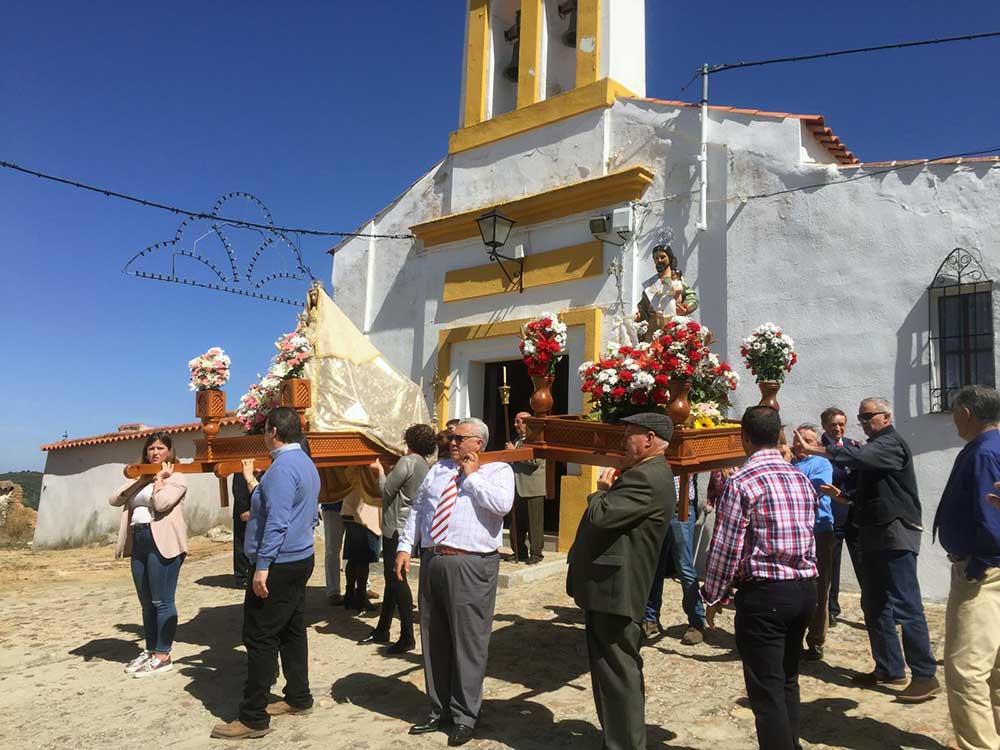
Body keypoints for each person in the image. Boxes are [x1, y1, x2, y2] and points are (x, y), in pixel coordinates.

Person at [802, 397, 940, 701]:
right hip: (875, 532)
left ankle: (925, 675)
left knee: (906, 603)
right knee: (875, 602)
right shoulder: (874, 446)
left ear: (886, 417)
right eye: (861, 417)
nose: (863, 422)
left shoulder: (889, 443)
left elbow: (862, 459)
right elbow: (870, 480)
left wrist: (820, 450)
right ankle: (889, 667)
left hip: (894, 531)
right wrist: (846, 495)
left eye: (868, 417)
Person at [702, 406, 817, 750]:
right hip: (804, 589)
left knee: (766, 692)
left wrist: (712, 594)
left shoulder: (742, 482)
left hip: (766, 593)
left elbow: (726, 545)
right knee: (787, 682)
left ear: (745, 438)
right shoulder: (799, 477)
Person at [395, 417, 513, 747]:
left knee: (468, 642)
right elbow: (419, 509)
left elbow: (502, 506)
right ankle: (439, 708)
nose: (452, 442)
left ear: (478, 442)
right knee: (434, 637)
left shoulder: (498, 469)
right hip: (434, 560)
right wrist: (406, 546)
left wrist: (472, 476)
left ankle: (465, 715)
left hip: (471, 563)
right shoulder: (438, 469)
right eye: (451, 437)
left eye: (459, 438)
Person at [567, 412, 676, 750]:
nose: (622, 440)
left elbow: (601, 517)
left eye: (629, 434)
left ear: (649, 439)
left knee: (618, 674)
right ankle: (618, 738)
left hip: (616, 589)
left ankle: (625, 743)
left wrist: (600, 491)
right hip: (611, 587)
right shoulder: (646, 473)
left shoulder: (645, 477)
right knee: (613, 672)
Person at [211, 407, 321, 740]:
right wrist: (252, 482)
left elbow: (277, 522)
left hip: (279, 563)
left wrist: (262, 567)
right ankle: (298, 697)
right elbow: (288, 506)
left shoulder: (283, 468)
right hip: (300, 557)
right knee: (291, 630)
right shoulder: (303, 462)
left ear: (273, 431)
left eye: (264, 429)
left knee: (259, 637)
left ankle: (253, 718)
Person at [933, 385, 1000, 750]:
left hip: (983, 573)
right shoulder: (992, 447)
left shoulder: (982, 453)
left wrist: (978, 562)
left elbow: (989, 515)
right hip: (990, 567)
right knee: (997, 669)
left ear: (967, 414)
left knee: (966, 670)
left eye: (956, 412)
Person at [110, 432, 188, 678]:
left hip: (163, 542)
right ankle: (151, 648)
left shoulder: (177, 477)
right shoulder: (140, 477)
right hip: (140, 539)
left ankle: (164, 654)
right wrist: (140, 480)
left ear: (169, 452)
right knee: (146, 602)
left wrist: (159, 480)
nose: (155, 452)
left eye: (160, 448)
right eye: (151, 448)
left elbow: (163, 503)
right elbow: (114, 499)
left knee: (162, 600)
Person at [362, 423, 436, 653]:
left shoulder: (408, 462)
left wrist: (380, 473)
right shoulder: (425, 464)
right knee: (392, 581)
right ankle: (383, 627)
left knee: (396, 580)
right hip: (409, 527)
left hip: (397, 528)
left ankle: (406, 636)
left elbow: (385, 492)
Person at [642, 475, 705, 645]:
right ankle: (650, 619)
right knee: (654, 566)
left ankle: (697, 623)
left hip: (681, 508)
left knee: (685, 568)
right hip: (656, 509)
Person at [791, 424, 834, 661]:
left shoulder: (821, 463)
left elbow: (814, 489)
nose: (800, 443)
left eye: (806, 439)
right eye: (797, 439)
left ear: (816, 444)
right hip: (795, 531)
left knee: (819, 586)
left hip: (819, 530)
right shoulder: (788, 463)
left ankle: (816, 639)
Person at [820, 407, 862, 628]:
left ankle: (872, 608)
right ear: (825, 426)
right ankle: (831, 608)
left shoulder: (853, 446)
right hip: (833, 515)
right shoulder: (818, 449)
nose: (837, 428)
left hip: (854, 515)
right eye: (833, 424)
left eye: (841, 424)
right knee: (831, 566)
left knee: (862, 563)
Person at [505, 411, 546, 564]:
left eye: (518, 421)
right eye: (515, 422)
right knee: (516, 523)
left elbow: (535, 461)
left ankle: (536, 554)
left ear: (527, 423)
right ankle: (519, 551)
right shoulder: (517, 440)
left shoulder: (536, 439)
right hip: (516, 487)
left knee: (534, 523)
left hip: (532, 487)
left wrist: (514, 453)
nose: (515, 425)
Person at [634, 244, 698, 342]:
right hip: (654, 331)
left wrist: (685, 308)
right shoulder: (651, 284)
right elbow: (644, 307)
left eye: (662, 257)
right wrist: (638, 316)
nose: (659, 260)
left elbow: (692, 297)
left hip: (674, 327)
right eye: (656, 258)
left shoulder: (676, 280)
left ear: (670, 258)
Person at [341, 466, 383, 613]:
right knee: (362, 559)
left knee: (354, 557)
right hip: (364, 511)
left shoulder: (352, 462)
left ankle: (350, 594)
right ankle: (360, 597)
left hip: (350, 508)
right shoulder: (368, 461)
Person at [319, 491, 346, 605]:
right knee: (332, 550)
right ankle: (333, 591)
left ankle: (363, 587)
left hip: (355, 505)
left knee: (356, 548)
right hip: (333, 506)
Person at [232, 461, 255, 589]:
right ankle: (242, 576)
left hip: (258, 508)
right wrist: (243, 508)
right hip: (245, 508)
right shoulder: (243, 461)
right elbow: (238, 487)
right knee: (242, 541)